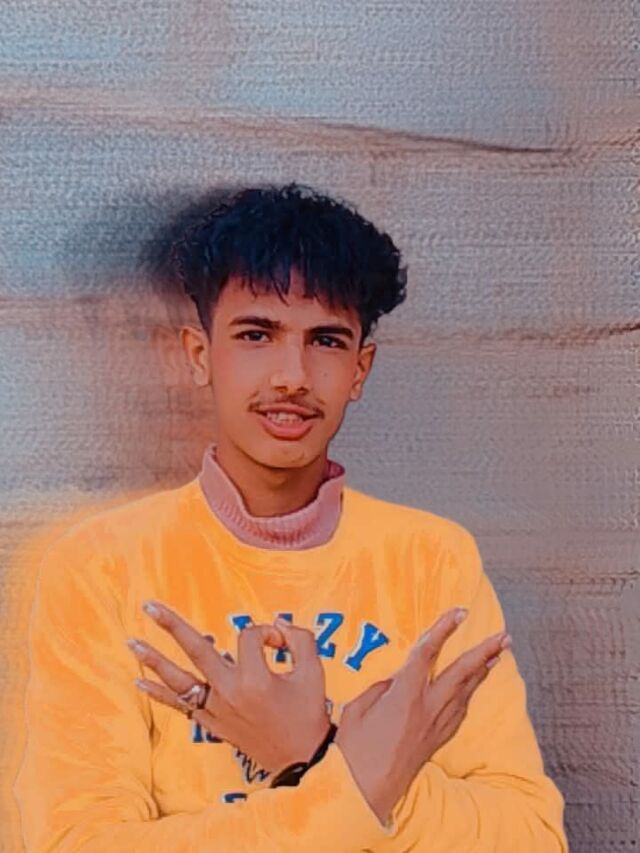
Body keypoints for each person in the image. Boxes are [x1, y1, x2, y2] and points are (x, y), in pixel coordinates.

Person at [13, 182, 568, 851]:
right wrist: (351, 779)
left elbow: (531, 837)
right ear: (200, 354)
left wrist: (312, 749)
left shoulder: (429, 558)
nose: (292, 376)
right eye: (256, 335)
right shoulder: (102, 565)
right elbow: (78, 841)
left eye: (326, 341)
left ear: (359, 369)